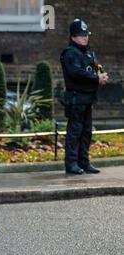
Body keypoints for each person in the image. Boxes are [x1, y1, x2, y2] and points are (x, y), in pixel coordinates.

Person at [60, 19, 109, 175]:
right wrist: (96, 79)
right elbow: (76, 73)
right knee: (75, 133)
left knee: (86, 132)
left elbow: (92, 70)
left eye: (86, 35)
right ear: (73, 36)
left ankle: (84, 162)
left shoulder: (87, 53)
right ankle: (71, 164)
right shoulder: (70, 53)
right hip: (76, 99)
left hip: (87, 98)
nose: (85, 38)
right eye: (81, 35)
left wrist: (101, 76)